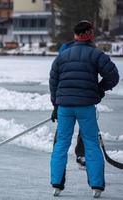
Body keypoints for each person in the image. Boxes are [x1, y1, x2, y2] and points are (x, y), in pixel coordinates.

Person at [49, 20, 119, 198]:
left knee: (61, 144)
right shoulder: (97, 54)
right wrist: (99, 89)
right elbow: (113, 76)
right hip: (86, 106)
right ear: (91, 35)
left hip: (65, 107)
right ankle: (96, 187)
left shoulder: (62, 56)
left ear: (75, 35)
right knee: (91, 145)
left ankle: (56, 184)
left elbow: (53, 81)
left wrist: (55, 105)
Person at [56, 41, 87, 169]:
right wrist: (55, 104)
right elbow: (56, 78)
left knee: (85, 129)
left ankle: (81, 154)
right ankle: (57, 155)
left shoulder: (89, 50)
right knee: (63, 132)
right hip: (66, 100)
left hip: (84, 99)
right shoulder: (65, 50)